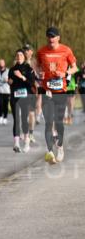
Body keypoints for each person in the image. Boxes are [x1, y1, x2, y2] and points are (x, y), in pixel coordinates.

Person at [36, 26, 78, 164]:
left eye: (53, 36)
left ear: (58, 37)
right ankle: (50, 152)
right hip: (47, 91)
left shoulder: (66, 50)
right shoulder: (41, 51)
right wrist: (39, 74)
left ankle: (59, 147)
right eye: (49, 36)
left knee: (58, 122)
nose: (51, 38)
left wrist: (65, 74)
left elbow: (74, 68)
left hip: (61, 91)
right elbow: (37, 65)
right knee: (48, 122)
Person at [8, 48, 36, 152]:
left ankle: (27, 142)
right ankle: (16, 144)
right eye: (17, 55)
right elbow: (10, 82)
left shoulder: (28, 68)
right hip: (15, 96)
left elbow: (31, 83)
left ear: (24, 57)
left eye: (21, 55)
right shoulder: (12, 69)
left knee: (24, 119)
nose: (19, 57)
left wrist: (22, 77)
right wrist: (10, 82)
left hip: (25, 96)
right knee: (16, 119)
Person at [0, 58, 11, 125]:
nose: (1, 64)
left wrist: (8, 80)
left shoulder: (8, 71)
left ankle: (5, 117)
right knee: (0, 104)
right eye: (0, 63)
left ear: (4, 63)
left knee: (5, 104)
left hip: (6, 90)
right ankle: (0, 116)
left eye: (2, 63)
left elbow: (11, 80)